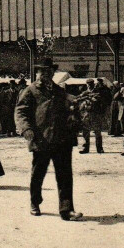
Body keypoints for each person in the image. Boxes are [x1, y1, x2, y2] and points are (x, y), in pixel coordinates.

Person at [14, 57, 83, 221]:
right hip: (41, 139)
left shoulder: (60, 91)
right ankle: (35, 202)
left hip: (61, 139)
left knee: (65, 175)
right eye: (41, 71)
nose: (45, 74)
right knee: (38, 173)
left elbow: (69, 110)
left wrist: (75, 115)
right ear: (38, 73)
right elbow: (20, 112)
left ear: (52, 72)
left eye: (48, 71)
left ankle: (66, 210)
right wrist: (26, 129)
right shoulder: (30, 91)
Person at [76, 79, 105, 154]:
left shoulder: (97, 92)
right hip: (86, 113)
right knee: (85, 131)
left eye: (91, 84)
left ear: (93, 84)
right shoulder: (85, 92)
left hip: (95, 113)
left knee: (97, 131)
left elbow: (99, 100)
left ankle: (99, 148)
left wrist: (91, 98)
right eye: (88, 84)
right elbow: (78, 99)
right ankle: (86, 148)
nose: (89, 85)